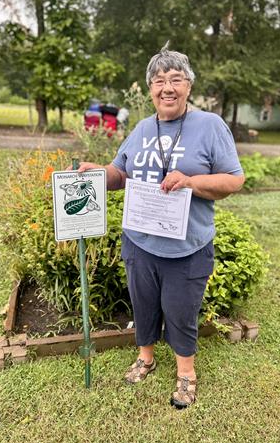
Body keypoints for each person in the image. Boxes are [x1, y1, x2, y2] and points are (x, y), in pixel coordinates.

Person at [72, 45, 245, 409]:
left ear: (188, 87)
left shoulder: (209, 125)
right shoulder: (141, 128)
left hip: (187, 246)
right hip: (140, 240)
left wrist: (191, 181)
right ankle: (146, 357)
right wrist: (99, 173)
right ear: (150, 88)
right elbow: (121, 173)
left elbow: (234, 180)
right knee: (144, 303)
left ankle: (186, 374)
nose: (167, 87)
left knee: (181, 310)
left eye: (176, 79)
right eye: (159, 80)